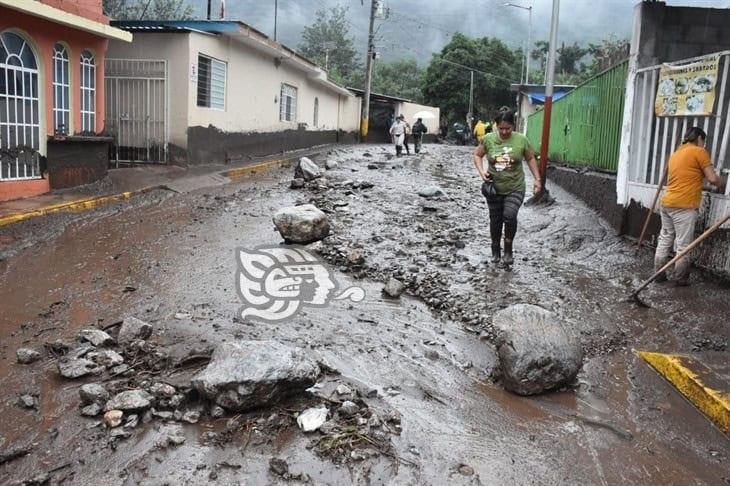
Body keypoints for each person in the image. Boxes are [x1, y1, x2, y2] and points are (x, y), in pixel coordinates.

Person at [654, 126, 725, 285]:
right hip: (684, 206)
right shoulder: (699, 152)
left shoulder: (676, 154)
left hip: (667, 203)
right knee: (684, 245)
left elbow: (684, 178)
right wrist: (724, 184)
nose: (704, 144)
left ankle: (658, 274)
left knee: (665, 238)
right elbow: (713, 179)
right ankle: (681, 279)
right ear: (699, 138)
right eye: (704, 141)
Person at [473, 110, 542, 266]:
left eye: (508, 128)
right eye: (501, 128)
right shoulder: (488, 139)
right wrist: (481, 171)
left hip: (515, 186)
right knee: (495, 219)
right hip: (494, 188)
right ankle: (495, 249)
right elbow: (477, 155)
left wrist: (537, 180)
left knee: (510, 215)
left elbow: (530, 158)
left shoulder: (522, 140)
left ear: (513, 126)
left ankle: (508, 249)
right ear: (496, 126)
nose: (504, 132)